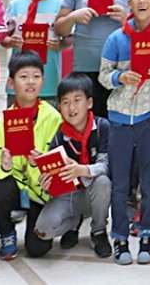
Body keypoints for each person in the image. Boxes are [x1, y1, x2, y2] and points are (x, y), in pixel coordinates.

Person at [98, 0, 150, 265]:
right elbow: (103, 76)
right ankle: (119, 236)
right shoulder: (116, 39)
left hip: (149, 118)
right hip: (119, 120)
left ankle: (147, 235)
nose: (142, 1)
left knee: (149, 180)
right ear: (129, 2)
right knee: (119, 183)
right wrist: (120, 77)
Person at [0, 51, 62, 260]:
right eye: (23, 77)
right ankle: (7, 233)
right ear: (11, 83)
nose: (30, 82)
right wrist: (4, 165)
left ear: (43, 81)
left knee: (37, 249)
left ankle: (43, 218)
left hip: (41, 190)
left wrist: (40, 164)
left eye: (36, 76)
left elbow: (60, 163)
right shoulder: (2, 123)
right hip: (15, 186)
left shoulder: (54, 118)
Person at [34, 73, 112, 258]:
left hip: (93, 191)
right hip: (70, 195)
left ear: (89, 103)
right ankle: (74, 223)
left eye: (77, 100)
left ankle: (98, 231)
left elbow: (107, 165)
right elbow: (54, 182)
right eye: (65, 102)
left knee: (103, 181)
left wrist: (82, 170)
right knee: (43, 230)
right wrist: (45, 183)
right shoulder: (58, 136)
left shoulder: (102, 127)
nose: (72, 107)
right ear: (59, 107)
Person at [55, 0, 131, 118]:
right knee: (88, 125)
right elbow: (59, 28)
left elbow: (144, 30)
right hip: (85, 69)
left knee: (116, 125)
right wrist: (73, 17)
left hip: (119, 71)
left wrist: (126, 19)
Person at [2, 0, 68, 107]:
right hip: (18, 87)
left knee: (49, 124)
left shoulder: (61, 6)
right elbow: (2, 37)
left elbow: (71, 38)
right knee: (17, 123)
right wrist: (10, 41)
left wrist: (60, 44)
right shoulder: (16, 5)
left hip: (49, 84)